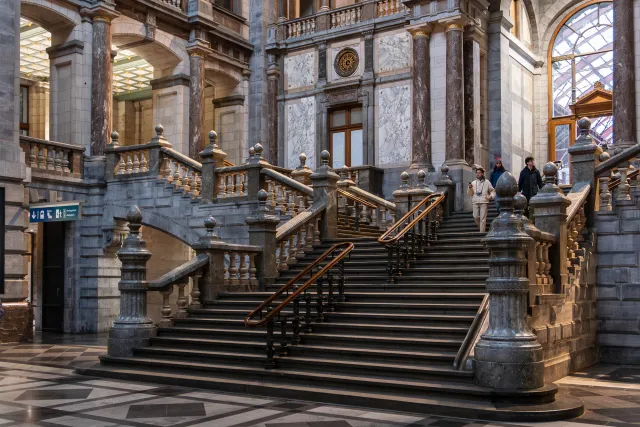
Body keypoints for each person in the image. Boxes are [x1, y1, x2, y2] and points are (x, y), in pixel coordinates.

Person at [467, 167, 495, 232]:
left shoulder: (487, 182)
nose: (478, 174)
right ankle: (481, 228)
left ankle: (481, 233)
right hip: (475, 201)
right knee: (475, 216)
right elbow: (470, 194)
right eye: (477, 173)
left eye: (479, 173)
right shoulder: (473, 183)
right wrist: (470, 188)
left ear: (482, 174)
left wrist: (490, 196)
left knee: (483, 218)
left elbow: (493, 191)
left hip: (484, 201)